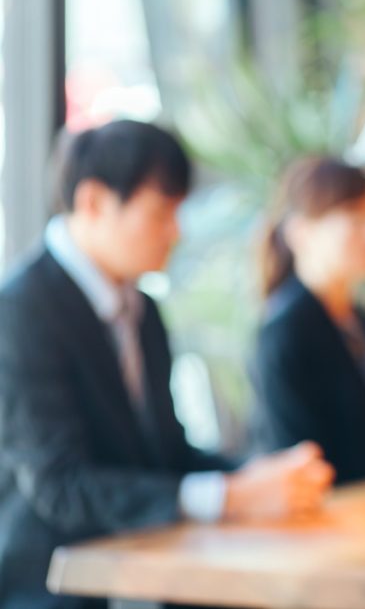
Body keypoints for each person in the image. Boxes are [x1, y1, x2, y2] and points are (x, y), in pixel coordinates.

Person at [0, 120, 335, 609]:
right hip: (48, 586)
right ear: (93, 201)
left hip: (142, 571)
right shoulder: (19, 311)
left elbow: (166, 454)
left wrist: (256, 474)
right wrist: (230, 495)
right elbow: (61, 486)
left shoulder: (142, 309)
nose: (175, 233)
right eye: (162, 213)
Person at [251, 157, 365, 484]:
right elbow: (297, 459)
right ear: (301, 232)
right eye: (356, 216)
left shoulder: (361, 320)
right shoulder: (285, 333)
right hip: (326, 525)